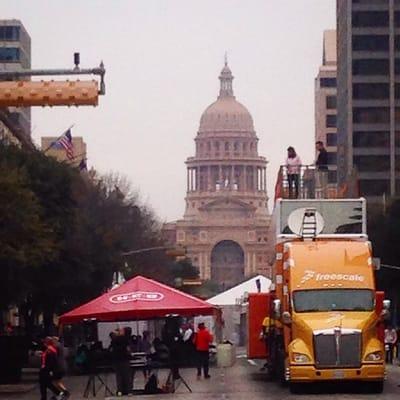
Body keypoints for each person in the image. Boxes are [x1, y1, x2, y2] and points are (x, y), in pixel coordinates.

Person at [110, 328, 131, 396]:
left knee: (119, 376)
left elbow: (112, 350)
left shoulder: (114, 341)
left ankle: (120, 391)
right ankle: (128, 391)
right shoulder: (126, 340)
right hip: (125, 360)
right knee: (126, 376)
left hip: (117, 360)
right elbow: (128, 350)